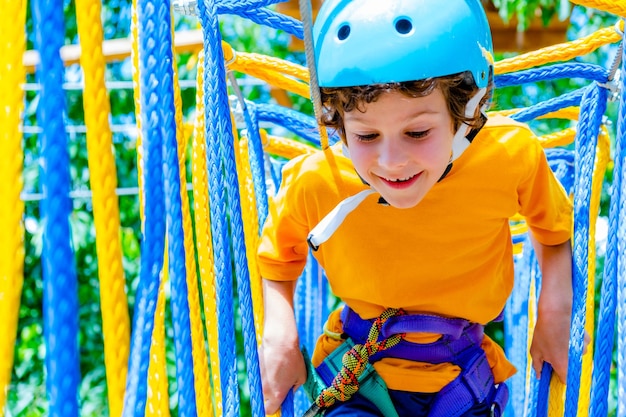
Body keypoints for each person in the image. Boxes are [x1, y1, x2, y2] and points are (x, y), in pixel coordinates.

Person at [257, 1, 583, 415]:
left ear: (465, 113)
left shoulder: (508, 157)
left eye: (417, 131)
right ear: (336, 123)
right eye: (366, 135)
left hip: (460, 379)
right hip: (362, 379)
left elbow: (553, 227)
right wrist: (280, 334)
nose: (392, 161)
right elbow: (277, 257)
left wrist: (555, 307)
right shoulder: (319, 180)